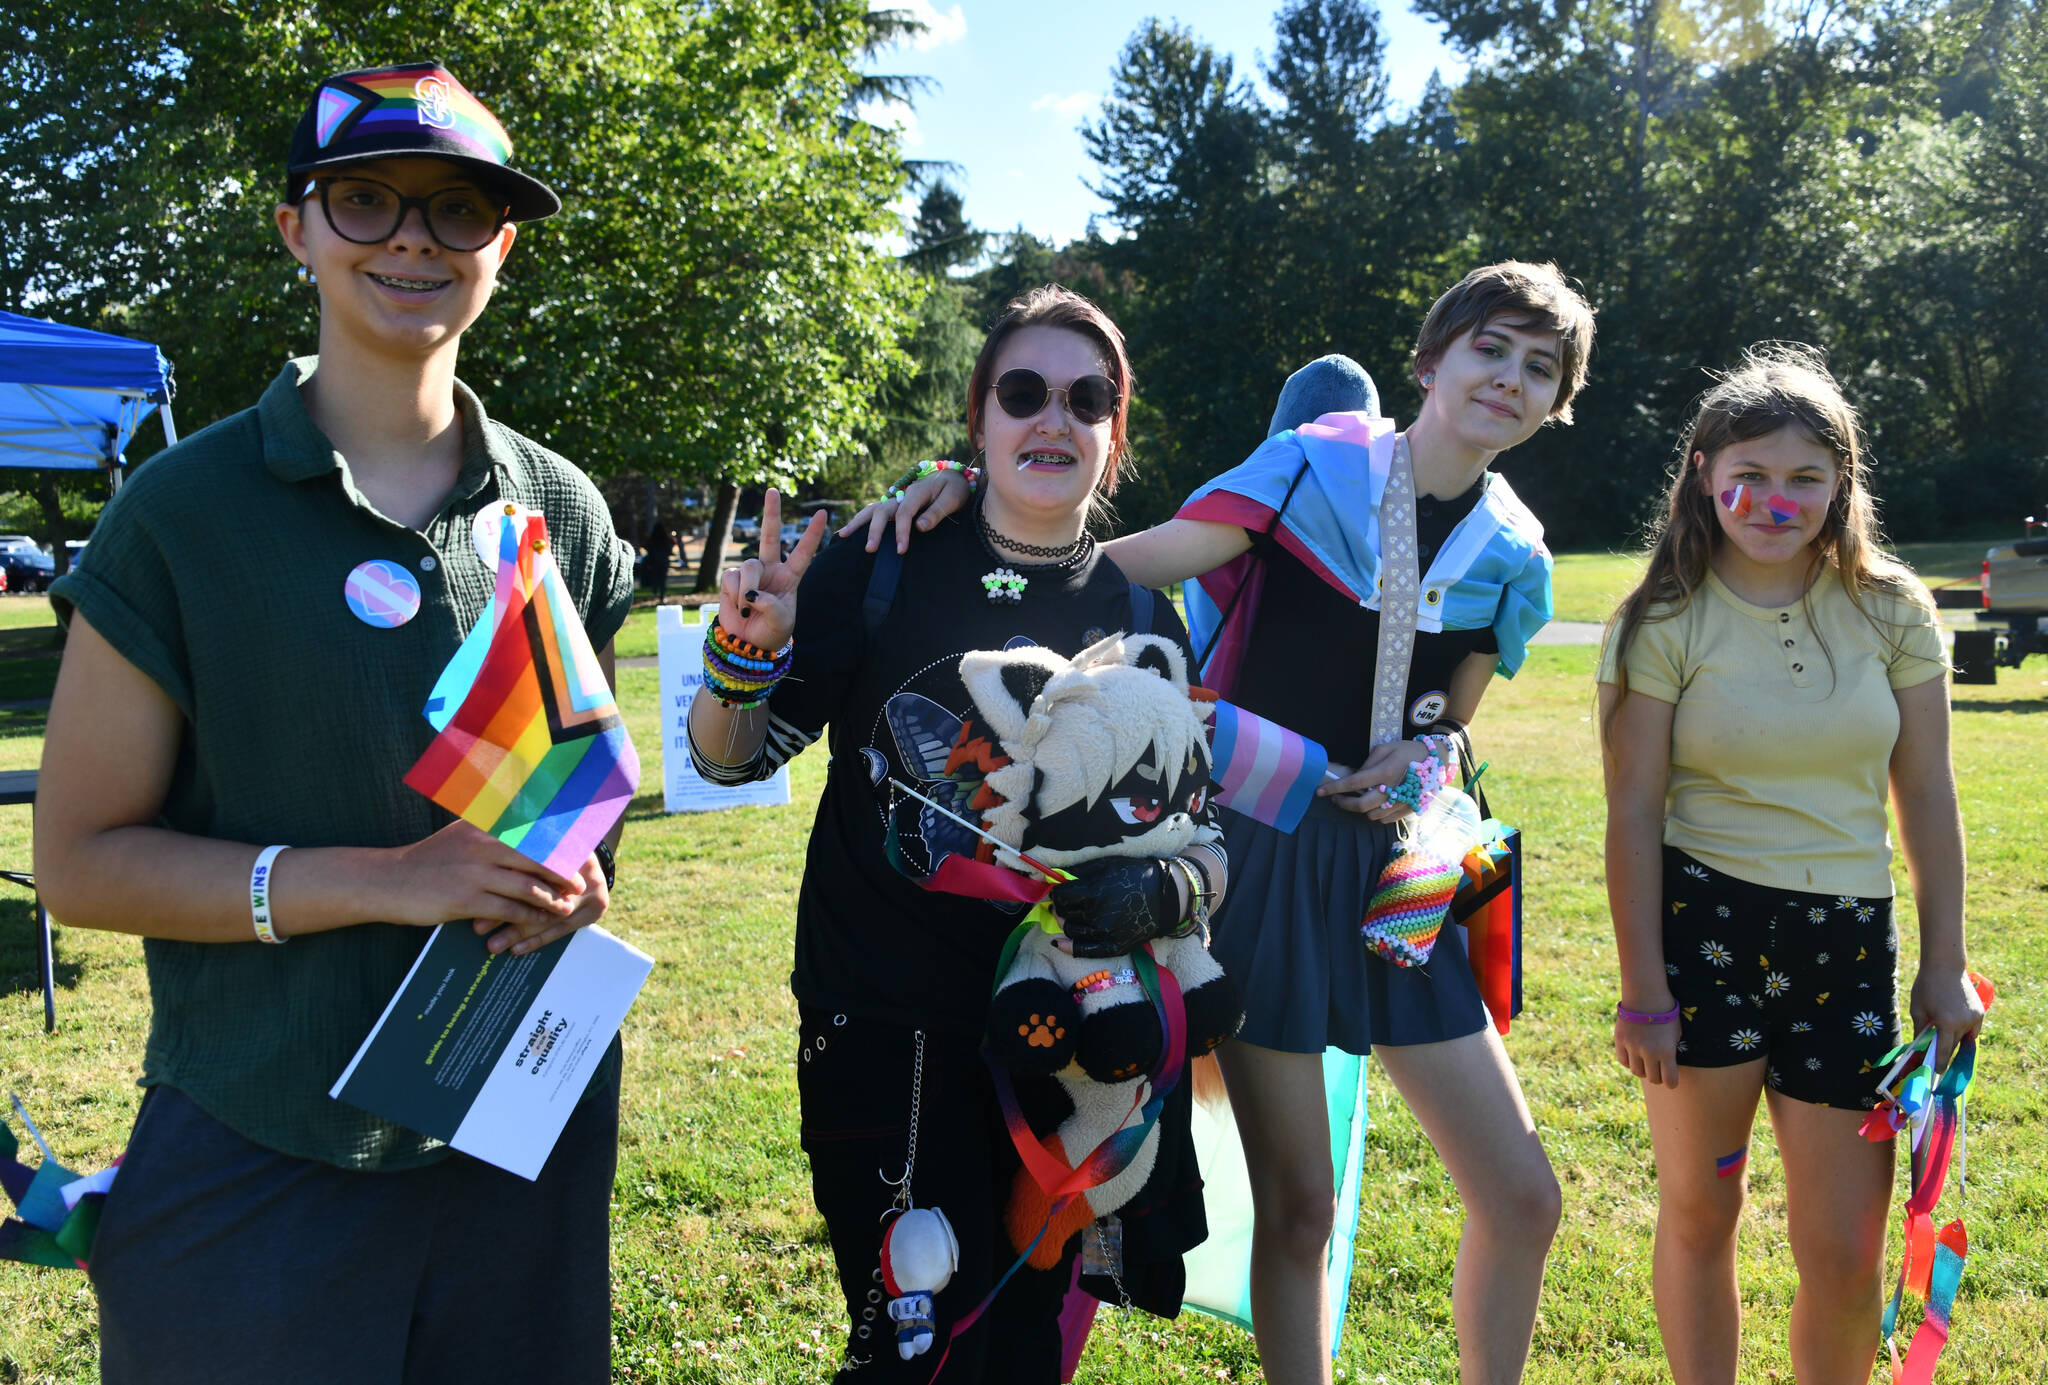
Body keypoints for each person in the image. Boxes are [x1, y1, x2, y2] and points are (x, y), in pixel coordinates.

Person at [844, 261, 1594, 1384]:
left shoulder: (1514, 551)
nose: (1509, 378)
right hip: (1257, 862)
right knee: (1295, 1211)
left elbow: (1449, 722)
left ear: (1555, 404)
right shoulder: (1315, 469)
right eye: (1490, 348)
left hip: (1404, 877)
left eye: (1539, 368)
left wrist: (1426, 753)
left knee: (1523, 1196)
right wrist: (970, 494)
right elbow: (1116, 571)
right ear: (1430, 361)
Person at [35, 62, 633, 1384]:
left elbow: (581, 799)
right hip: (260, 1146)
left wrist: (569, 881)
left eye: (457, 209)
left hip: (517, 1126)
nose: (414, 236)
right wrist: (394, 883)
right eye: (365, 199)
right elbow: (77, 863)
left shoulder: (560, 512)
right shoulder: (182, 518)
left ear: (503, 245)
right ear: (295, 227)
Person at [686, 285, 1231, 1383]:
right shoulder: (878, 562)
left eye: (1088, 398)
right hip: (885, 1014)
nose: (1054, 418)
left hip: (1064, 1032)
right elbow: (728, 755)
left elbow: (1194, 834)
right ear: (977, 417)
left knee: (1024, 1335)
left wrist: (1155, 897)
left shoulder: (1138, 619)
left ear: (1114, 433)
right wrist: (742, 653)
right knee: (911, 1335)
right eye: (1021, 391)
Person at [1598, 344, 1986, 1385]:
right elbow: (1631, 810)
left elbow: (1927, 792)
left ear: (1838, 485)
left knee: (1844, 1250)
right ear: (1700, 473)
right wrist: (1643, 989)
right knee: (1698, 1208)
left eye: (1804, 477)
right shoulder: (1662, 617)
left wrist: (1942, 961)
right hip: (1702, 935)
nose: (1774, 500)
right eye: (1749, 474)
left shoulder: (1892, 608)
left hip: (1843, 945)